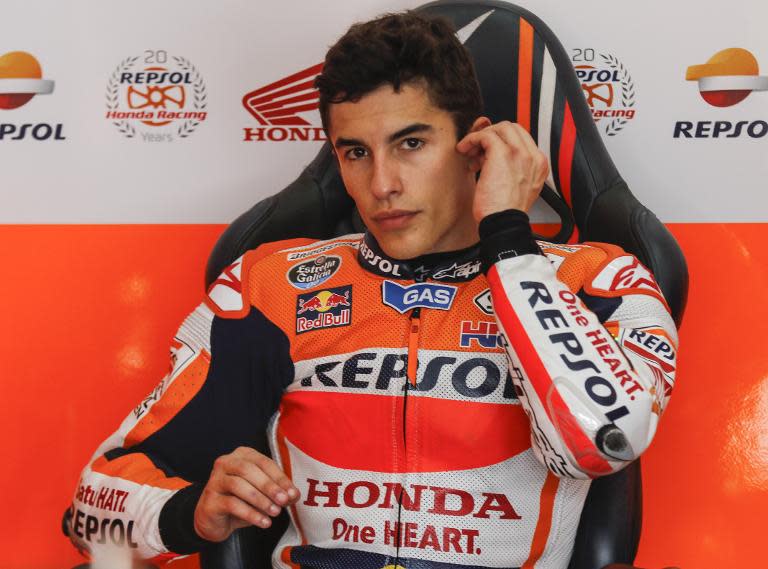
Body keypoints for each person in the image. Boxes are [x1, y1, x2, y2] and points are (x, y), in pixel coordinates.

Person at [65, 11, 677, 569]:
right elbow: (89, 515)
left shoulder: (600, 281)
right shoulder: (270, 287)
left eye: (411, 144)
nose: (381, 183)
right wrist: (189, 514)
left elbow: (601, 441)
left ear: (477, 147)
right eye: (355, 152)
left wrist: (511, 243)